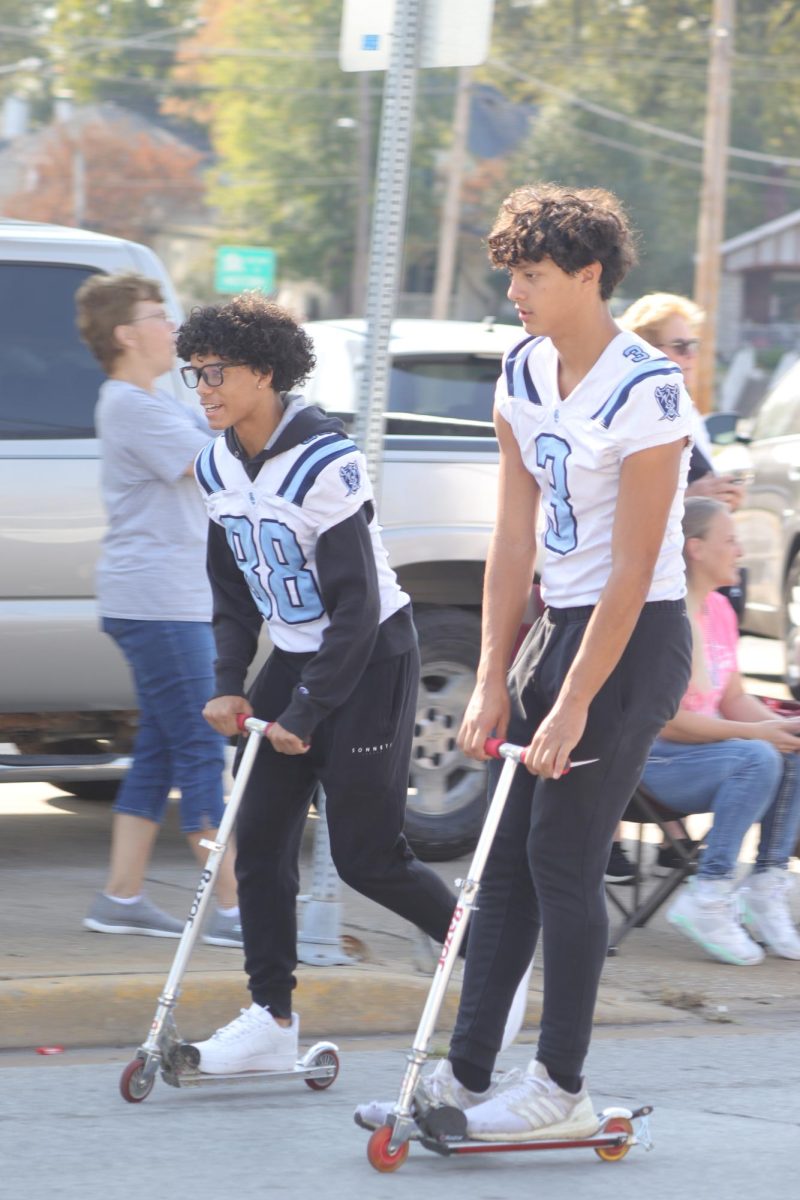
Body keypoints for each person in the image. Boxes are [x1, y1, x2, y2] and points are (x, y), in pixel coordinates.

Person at [357, 183, 693, 1141]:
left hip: (632, 642)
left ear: (591, 277)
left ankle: (561, 1088)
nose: (516, 289)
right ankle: (466, 1082)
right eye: (510, 272)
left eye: (534, 274)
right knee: (499, 865)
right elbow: (512, 539)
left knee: (561, 859)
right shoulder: (519, 370)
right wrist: (496, 673)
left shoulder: (647, 387)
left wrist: (575, 701)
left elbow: (633, 569)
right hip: (555, 624)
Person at [177, 293, 462, 1074]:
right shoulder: (214, 462)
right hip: (297, 660)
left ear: (264, 373)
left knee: (367, 855)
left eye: (216, 372)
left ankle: (486, 956)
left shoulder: (323, 460)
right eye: (192, 373)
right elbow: (232, 591)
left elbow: (356, 605)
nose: (202, 387)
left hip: (371, 660)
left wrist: (309, 709)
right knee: (260, 841)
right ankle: (271, 1019)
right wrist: (232, 682)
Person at [75, 272, 240, 946]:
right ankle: (232, 910)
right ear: (124, 333)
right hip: (159, 602)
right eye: (155, 314)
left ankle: (121, 898)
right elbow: (214, 464)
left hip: (169, 598)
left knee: (163, 752)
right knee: (205, 746)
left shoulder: (154, 397)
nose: (169, 324)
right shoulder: (130, 405)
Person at [605, 291, 747, 884]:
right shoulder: (635, 405)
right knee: (637, 708)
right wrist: (698, 502)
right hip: (640, 586)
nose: (690, 356)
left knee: (686, 697)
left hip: (683, 582)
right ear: (646, 347)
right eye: (678, 344)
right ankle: (613, 835)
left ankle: (670, 834)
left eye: (694, 345)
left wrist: (716, 501)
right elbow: (626, 502)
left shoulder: (680, 406)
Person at [641, 497, 800, 965]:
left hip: (706, 755)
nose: (740, 551)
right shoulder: (662, 617)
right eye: (730, 540)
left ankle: (765, 886)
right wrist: (759, 736)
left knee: (790, 750)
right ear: (695, 548)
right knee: (759, 756)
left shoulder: (720, 610)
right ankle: (708, 891)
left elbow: (732, 697)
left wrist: (780, 726)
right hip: (655, 760)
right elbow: (667, 722)